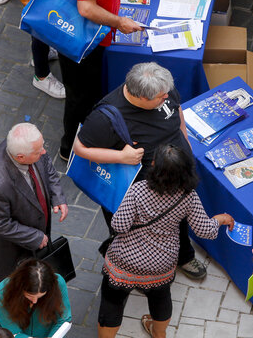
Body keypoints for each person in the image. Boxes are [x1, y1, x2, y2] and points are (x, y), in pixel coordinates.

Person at [56, 0, 172, 163]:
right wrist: (119, 21)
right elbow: (86, 8)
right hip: (82, 40)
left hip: (87, 35)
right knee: (80, 96)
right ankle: (71, 147)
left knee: (87, 92)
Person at [73, 62, 208, 279]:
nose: (167, 97)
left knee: (179, 216)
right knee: (128, 229)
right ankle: (126, 265)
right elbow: (79, 148)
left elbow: (177, 109)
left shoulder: (163, 87)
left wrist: (186, 143)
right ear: (143, 98)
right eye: (161, 98)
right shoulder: (106, 116)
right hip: (138, 189)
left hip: (175, 174)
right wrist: (121, 157)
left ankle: (184, 256)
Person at [98, 144, 234, 338]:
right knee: (160, 299)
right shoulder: (189, 197)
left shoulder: (138, 189)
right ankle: (159, 332)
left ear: (155, 167)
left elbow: (119, 225)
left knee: (112, 303)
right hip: (161, 264)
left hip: (123, 262)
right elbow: (205, 230)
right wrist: (221, 219)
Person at [0, 123, 68, 283]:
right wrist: (34, 236)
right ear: (20, 157)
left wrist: (57, 196)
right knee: (14, 278)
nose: (44, 152)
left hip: (32, 224)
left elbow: (47, 165)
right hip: (9, 244)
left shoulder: (29, 144)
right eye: (38, 151)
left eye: (43, 146)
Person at [0, 259, 72, 338]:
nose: (35, 301)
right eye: (30, 296)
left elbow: (63, 319)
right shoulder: (1, 293)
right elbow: (12, 332)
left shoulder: (58, 283)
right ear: (20, 287)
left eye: (41, 296)